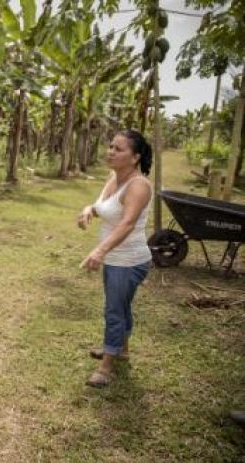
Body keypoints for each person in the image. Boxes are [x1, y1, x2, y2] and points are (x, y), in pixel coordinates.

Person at [77, 130, 153, 388]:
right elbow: (101, 207)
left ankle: (106, 367)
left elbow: (128, 223)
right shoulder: (115, 178)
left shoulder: (139, 185)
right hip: (116, 258)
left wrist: (100, 250)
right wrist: (88, 210)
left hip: (129, 260)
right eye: (110, 146)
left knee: (114, 310)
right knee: (120, 306)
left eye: (118, 149)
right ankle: (121, 349)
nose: (110, 151)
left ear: (135, 158)